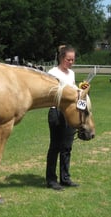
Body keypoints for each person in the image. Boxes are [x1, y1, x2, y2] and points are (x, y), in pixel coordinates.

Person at [46, 45, 79, 191]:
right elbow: (50, 93)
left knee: (67, 147)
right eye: (68, 59)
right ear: (61, 58)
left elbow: (73, 89)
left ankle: (65, 178)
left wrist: (81, 90)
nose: (71, 62)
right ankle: (51, 180)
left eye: (73, 59)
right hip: (57, 112)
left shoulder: (71, 74)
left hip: (70, 112)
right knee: (55, 147)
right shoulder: (52, 73)